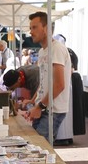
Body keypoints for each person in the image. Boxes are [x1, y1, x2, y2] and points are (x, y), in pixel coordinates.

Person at [21, 11, 72, 142]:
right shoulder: (42, 51)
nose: (31, 32)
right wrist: (33, 101)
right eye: (30, 28)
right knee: (35, 145)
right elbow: (43, 82)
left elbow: (59, 85)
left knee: (39, 147)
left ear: (46, 28)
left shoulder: (57, 49)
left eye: (34, 27)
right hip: (44, 107)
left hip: (53, 110)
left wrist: (39, 107)